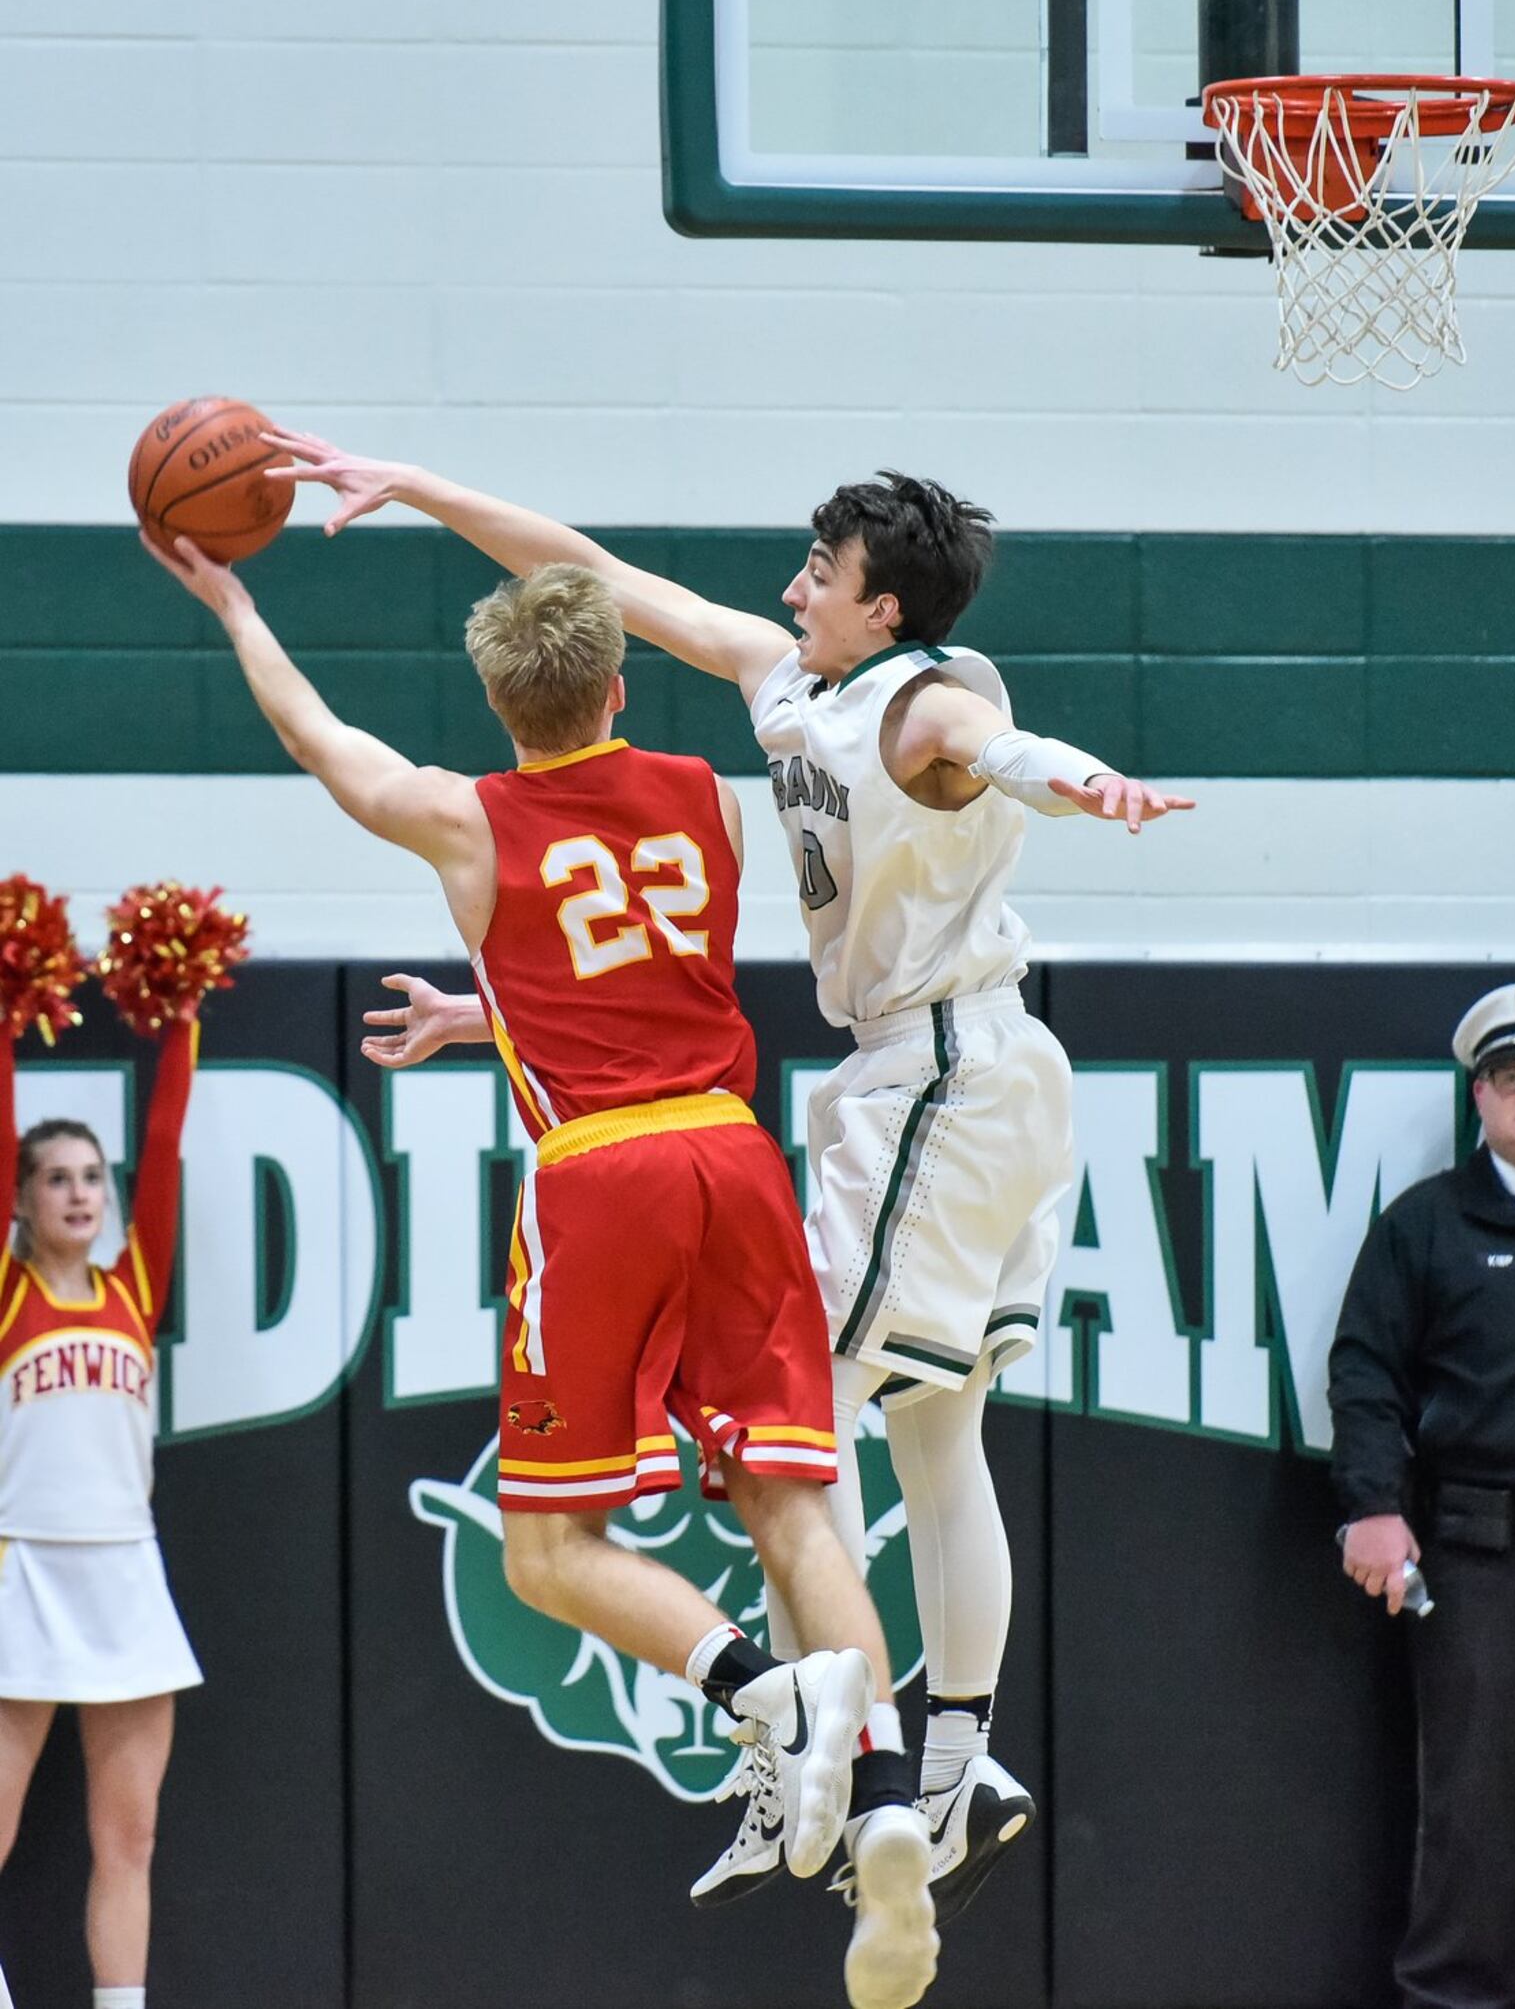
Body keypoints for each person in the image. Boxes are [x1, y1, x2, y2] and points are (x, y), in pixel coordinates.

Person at [258, 428, 1192, 1919]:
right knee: (932, 1433)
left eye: (822, 571)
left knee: (792, 1438)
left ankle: (833, 1754)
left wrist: (1093, 785)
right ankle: (951, 1758)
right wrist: (422, 488)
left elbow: (996, 747)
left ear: (886, 605)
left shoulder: (918, 698)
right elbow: (602, 578)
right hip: (978, 1071)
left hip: (936, 1071)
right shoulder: (781, 680)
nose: (792, 583)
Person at [142, 534, 938, 2009]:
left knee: (543, 1549)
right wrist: (493, 1009)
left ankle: (764, 1697)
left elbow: (324, 742)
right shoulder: (706, 797)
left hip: (604, 1174)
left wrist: (238, 602)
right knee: (793, 1500)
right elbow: (624, 963)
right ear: (620, 683)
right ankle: (890, 1794)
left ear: (501, 704)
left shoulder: (466, 818)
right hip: (731, 1147)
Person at [1329, 978, 1515, 2009]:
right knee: (1472, 1837)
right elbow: (1364, 1373)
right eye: (1508, 1073)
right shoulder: (1427, 1226)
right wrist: (1370, 1503)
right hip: (1486, 1564)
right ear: (1477, 1096)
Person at [0, 1012, 201, 2009]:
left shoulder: (134, 1286)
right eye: (55, 1176)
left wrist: (183, 1021)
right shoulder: (6, 1290)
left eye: (91, 1175)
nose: (80, 1191)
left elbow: (164, 1145)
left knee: (130, 1835)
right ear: (24, 1196)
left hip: (125, 1569)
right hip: (21, 1567)